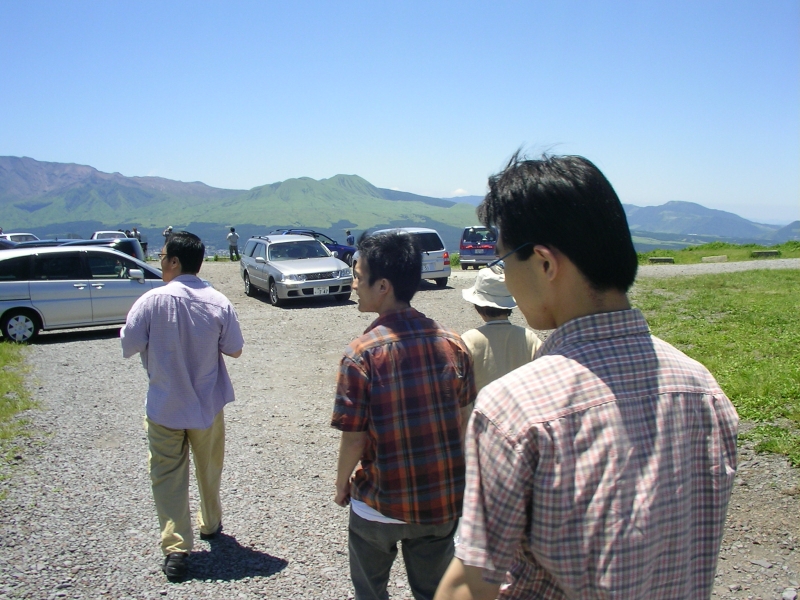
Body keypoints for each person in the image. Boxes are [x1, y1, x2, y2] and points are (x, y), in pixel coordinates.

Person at [434, 153, 738, 600]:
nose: (507, 280)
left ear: (544, 263)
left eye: (504, 261)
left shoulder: (515, 409)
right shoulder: (703, 389)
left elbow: (470, 583)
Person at [332, 231, 476, 600]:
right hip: (440, 504)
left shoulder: (361, 354)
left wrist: (342, 483)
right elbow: (464, 423)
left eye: (358, 276)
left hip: (379, 503)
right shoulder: (454, 344)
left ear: (383, 286)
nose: (353, 284)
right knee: (433, 592)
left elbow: (354, 438)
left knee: (370, 592)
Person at [120, 231, 244, 580]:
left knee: (166, 476)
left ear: (174, 261)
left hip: (164, 405)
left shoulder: (150, 301)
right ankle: (211, 523)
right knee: (209, 469)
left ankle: (176, 549)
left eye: (162, 256)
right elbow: (235, 349)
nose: (160, 262)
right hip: (207, 405)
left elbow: (128, 345)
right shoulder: (218, 301)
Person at [460, 267, 541, 393]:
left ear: (478, 306)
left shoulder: (468, 340)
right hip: (522, 404)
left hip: (482, 404)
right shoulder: (529, 338)